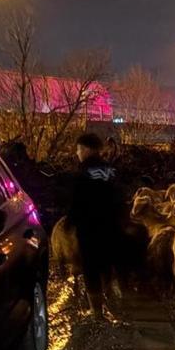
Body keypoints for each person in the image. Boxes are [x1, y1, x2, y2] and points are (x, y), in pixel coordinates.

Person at [67, 132, 127, 318]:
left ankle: (97, 312)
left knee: (90, 268)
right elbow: (121, 197)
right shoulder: (111, 171)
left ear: (85, 150)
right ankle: (110, 296)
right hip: (112, 226)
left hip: (89, 229)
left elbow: (76, 202)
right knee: (108, 263)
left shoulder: (81, 173)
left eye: (78, 149)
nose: (77, 153)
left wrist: (70, 223)